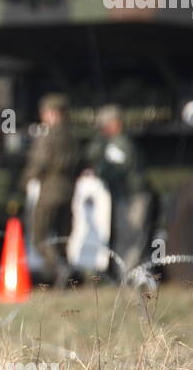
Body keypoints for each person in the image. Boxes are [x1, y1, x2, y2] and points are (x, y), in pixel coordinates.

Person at [20, 93, 78, 285]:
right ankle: (68, 274)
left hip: (50, 190)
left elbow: (40, 162)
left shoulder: (48, 136)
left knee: (40, 238)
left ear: (52, 113)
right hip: (69, 190)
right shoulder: (72, 136)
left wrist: (24, 181)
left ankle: (59, 269)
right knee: (62, 237)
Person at [85, 104, 148, 270]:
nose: (103, 129)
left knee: (132, 234)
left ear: (116, 123)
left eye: (106, 125)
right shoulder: (110, 142)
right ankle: (124, 272)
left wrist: (100, 172)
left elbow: (118, 168)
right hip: (124, 195)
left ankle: (130, 271)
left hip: (133, 196)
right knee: (124, 234)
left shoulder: (121, 144)